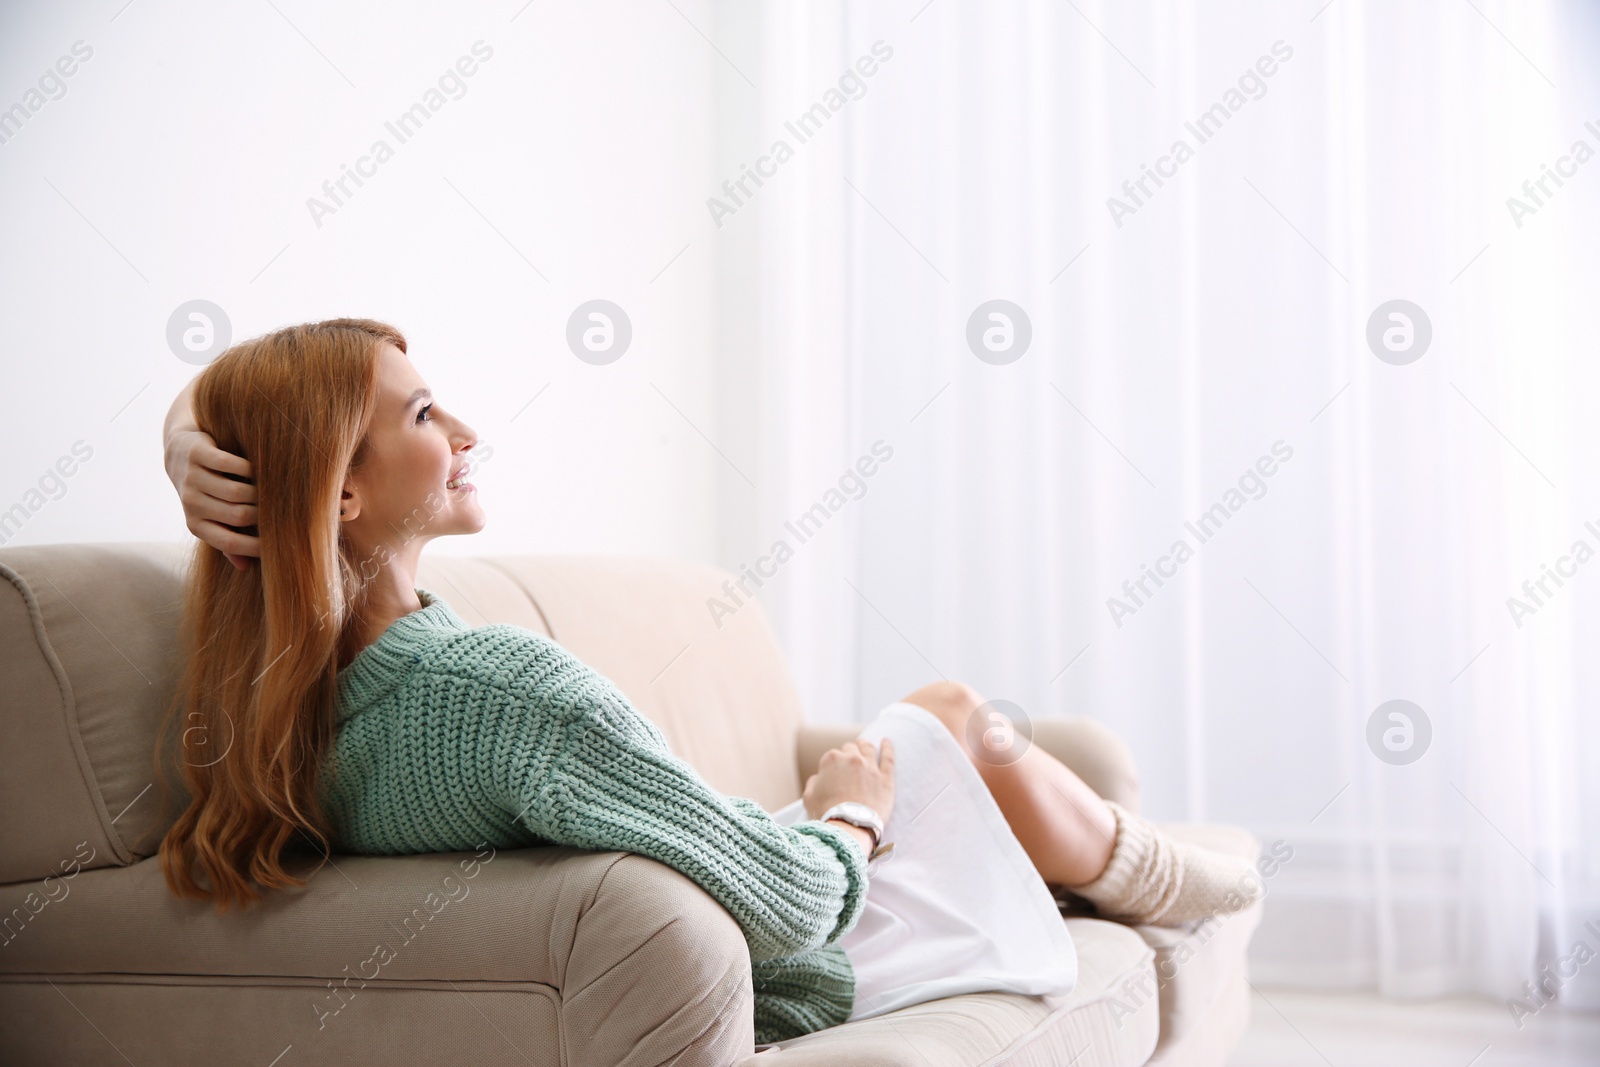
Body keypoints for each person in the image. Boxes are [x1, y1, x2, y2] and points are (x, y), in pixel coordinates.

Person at [158, 318, 1262, 1045]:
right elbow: (790, 905)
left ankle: (1126, 865)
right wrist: (849, 812)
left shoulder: (282, 714)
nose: (465, 430)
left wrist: (187, 431)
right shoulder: (494, 691)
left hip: (722, 877)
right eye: (422, 413)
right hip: (805, 936)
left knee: (933, 718)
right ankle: (1170, 876)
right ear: (340, 497)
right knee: (951, 717)